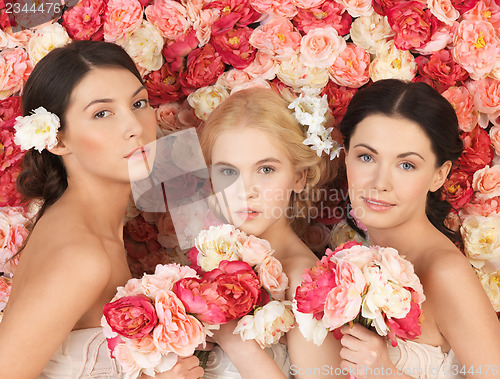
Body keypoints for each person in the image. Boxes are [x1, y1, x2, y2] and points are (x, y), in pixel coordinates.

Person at [0, 40, 204, 379]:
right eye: (102, 113)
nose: (135, 127)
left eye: (138, 103)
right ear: (57, 140)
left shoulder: (88, 226)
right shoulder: (82, 256)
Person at [338, 79, 500, 378]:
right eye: (366, 157)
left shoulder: (445, 273)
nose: (379, 182)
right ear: (346, 155)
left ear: (439, 175)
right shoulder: (349, 261)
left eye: (406, 165)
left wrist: (386, 374)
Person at [198, 87, 345, 379]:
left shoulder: (305, 281)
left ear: (299, 177)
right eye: (228, 172)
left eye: (265, 169)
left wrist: (233, 340)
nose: (244, 191)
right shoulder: (210, 261)